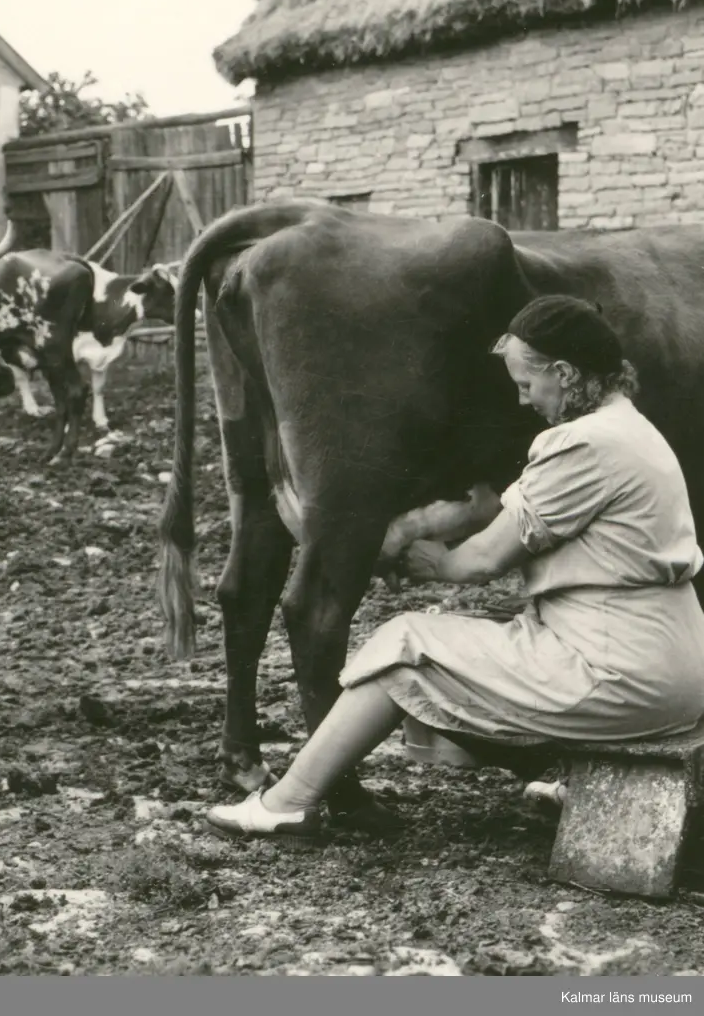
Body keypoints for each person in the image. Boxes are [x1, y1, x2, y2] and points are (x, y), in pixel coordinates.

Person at [205, 295, 704, 847]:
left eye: (526, 384)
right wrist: (453, 514)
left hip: (623, 673)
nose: (522, 400)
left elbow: (484, 559)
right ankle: (573, 782)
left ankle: (287, 803)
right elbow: (512, 511)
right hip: (672, 657)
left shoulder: (582, 443)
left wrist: (425, 559)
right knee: (484, 636)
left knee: (406, 643)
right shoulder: (628, 427)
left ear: (563, 374)